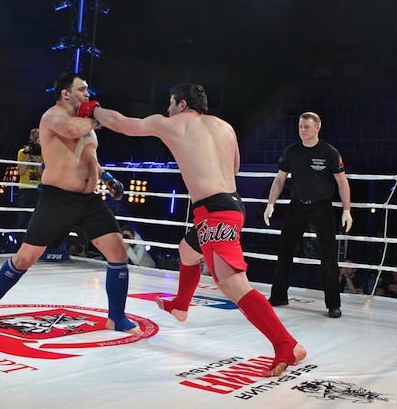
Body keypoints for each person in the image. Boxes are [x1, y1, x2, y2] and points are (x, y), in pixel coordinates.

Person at [86, 82, 305, 377]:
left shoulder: (171, 124)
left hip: (215, 214)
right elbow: (235, 167)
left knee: (234, 285)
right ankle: (181, 305)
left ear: (182, 104)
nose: (167, 109)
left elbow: (124, 124)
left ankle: (286, 344)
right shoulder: (225, 127)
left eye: (170, 103)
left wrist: (93, 109)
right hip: (231, 206)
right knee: (187, 251)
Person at [0, 72, 142, 336]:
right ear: (65, 93)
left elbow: (90, 157)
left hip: (89, 201)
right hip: (57, 199)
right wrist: (97, 117)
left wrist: (107, 178)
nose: (87, 94)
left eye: (87, 90)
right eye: (82, 89)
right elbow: (71, 130)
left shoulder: (85, 123)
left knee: (118, 252)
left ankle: (116, 317)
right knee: (25, 258)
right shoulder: (53, 116)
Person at [262, 112, 353, 318]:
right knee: (285, 250)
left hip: (322, 206)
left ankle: (333, 304)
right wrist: (270, 203)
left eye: (306, 127)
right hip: (297, 205)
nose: (302, 130)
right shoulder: (292, 151)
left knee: (328, 255)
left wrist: (347, 210)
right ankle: (279, 296)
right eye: (300, 126)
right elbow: (280, 179)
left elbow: (342, 182)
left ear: (317, 128)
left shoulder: (329, 152)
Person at [14, 127, 43, 234]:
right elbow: (20, 172)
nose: (37, 140)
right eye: (35, 138)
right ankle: (20, 242)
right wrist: (28, 155)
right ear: (31, 137)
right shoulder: (22, 152)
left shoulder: (43, 153)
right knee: (21, 219)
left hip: (37, 188)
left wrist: (37, 158)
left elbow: (42, 174)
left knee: (36, 219)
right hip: (24, 188)